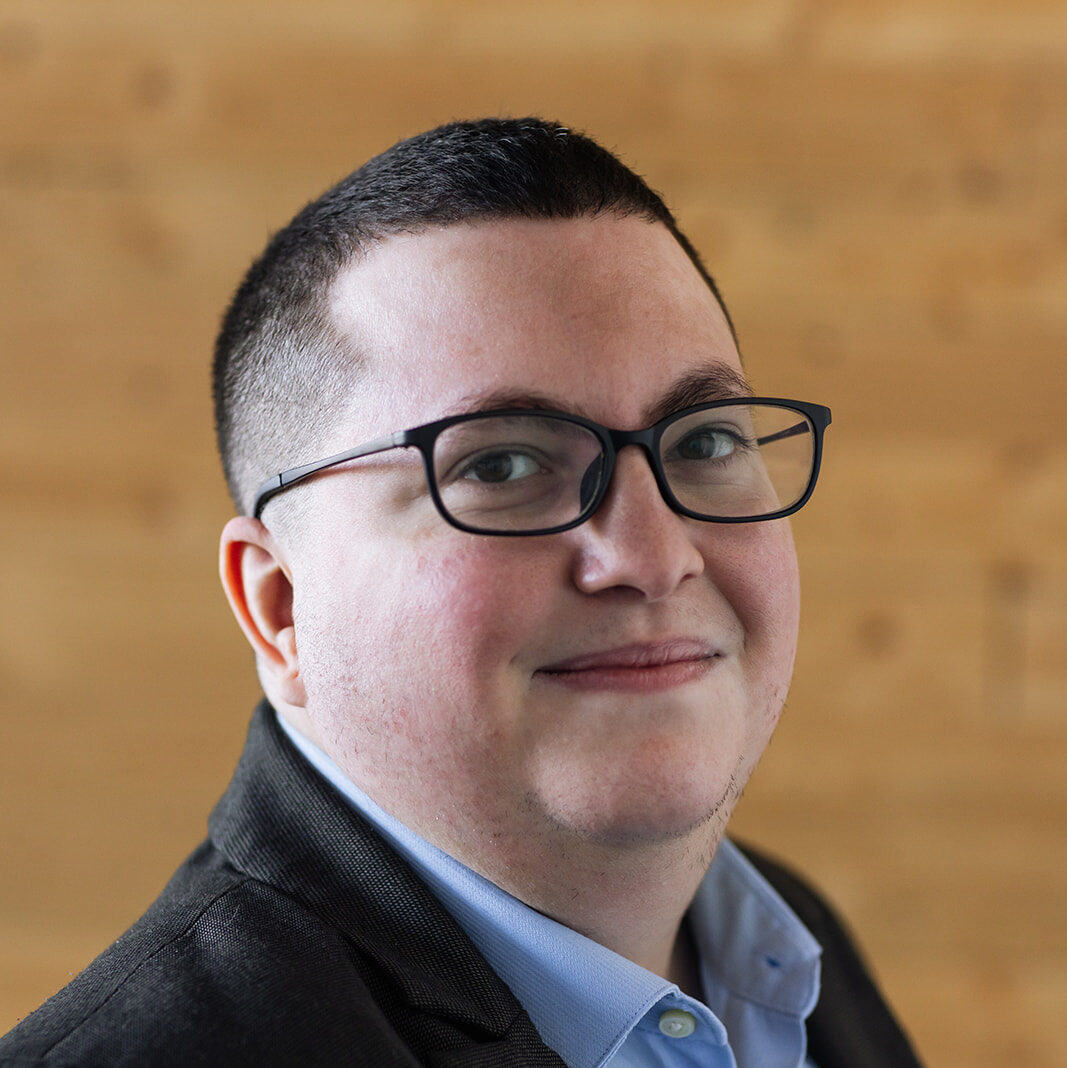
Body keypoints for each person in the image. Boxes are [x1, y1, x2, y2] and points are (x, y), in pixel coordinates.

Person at [0, 118, 922, 1068]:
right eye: (502, 464)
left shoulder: (786, 954)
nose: (652, 558)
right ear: (280, 610)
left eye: (704, 441)